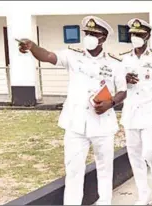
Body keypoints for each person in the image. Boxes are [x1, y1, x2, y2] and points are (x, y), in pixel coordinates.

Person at [18, 16, 126, 205]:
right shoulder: (72, 55)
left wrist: (111, 103)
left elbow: (122, 91)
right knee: (74, 169)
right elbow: (48, 56)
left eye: (94, 34)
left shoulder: (115, 63)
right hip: (75, 124)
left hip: (102, 124)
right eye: (87, 33)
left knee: (105, 167)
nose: (89, 37)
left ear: (103, 38)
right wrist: (33, 47)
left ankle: (105, 201)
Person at [120, 18, 152, 205]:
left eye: (140, 35)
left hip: (150, 113)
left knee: (151, 153)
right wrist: (123, 79)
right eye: (133, 34)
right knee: (134, 157)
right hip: (130, 114)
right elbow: (117, 86)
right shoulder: (124, 58)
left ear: (148, 36)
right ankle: (144, 194)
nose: (136, 38)